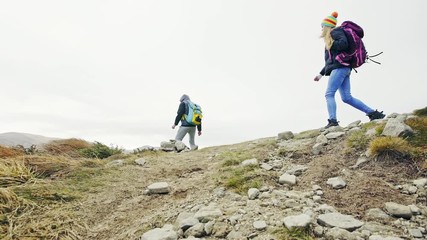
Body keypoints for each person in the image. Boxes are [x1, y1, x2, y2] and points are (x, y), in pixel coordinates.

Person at [314, 12, 385, 128]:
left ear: (327, 26)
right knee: (347, 97)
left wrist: (331, 44)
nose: (321, 28)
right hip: (343, 68)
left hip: (340, 68)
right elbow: (331, 62)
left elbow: (344, 44)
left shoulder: (335, 32)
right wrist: (321, 74)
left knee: (329, 94)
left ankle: (333, 121)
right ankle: (373, 113)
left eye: (322, 26)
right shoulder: (330, 39)